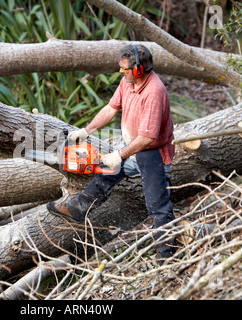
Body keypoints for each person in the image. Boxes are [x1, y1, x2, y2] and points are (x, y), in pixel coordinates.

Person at [47, 44, 176, 264]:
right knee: (106, 172)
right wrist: (86, 131)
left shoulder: (154, 92)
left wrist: (119, 155)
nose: (120, 72)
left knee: (158, 207)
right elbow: (110, 108)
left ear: (138, 70)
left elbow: (148, 139)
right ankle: (78, 209)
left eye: (125, 69)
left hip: (151, 153)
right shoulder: (128, 82)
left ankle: (168, 256)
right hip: (133, 145)